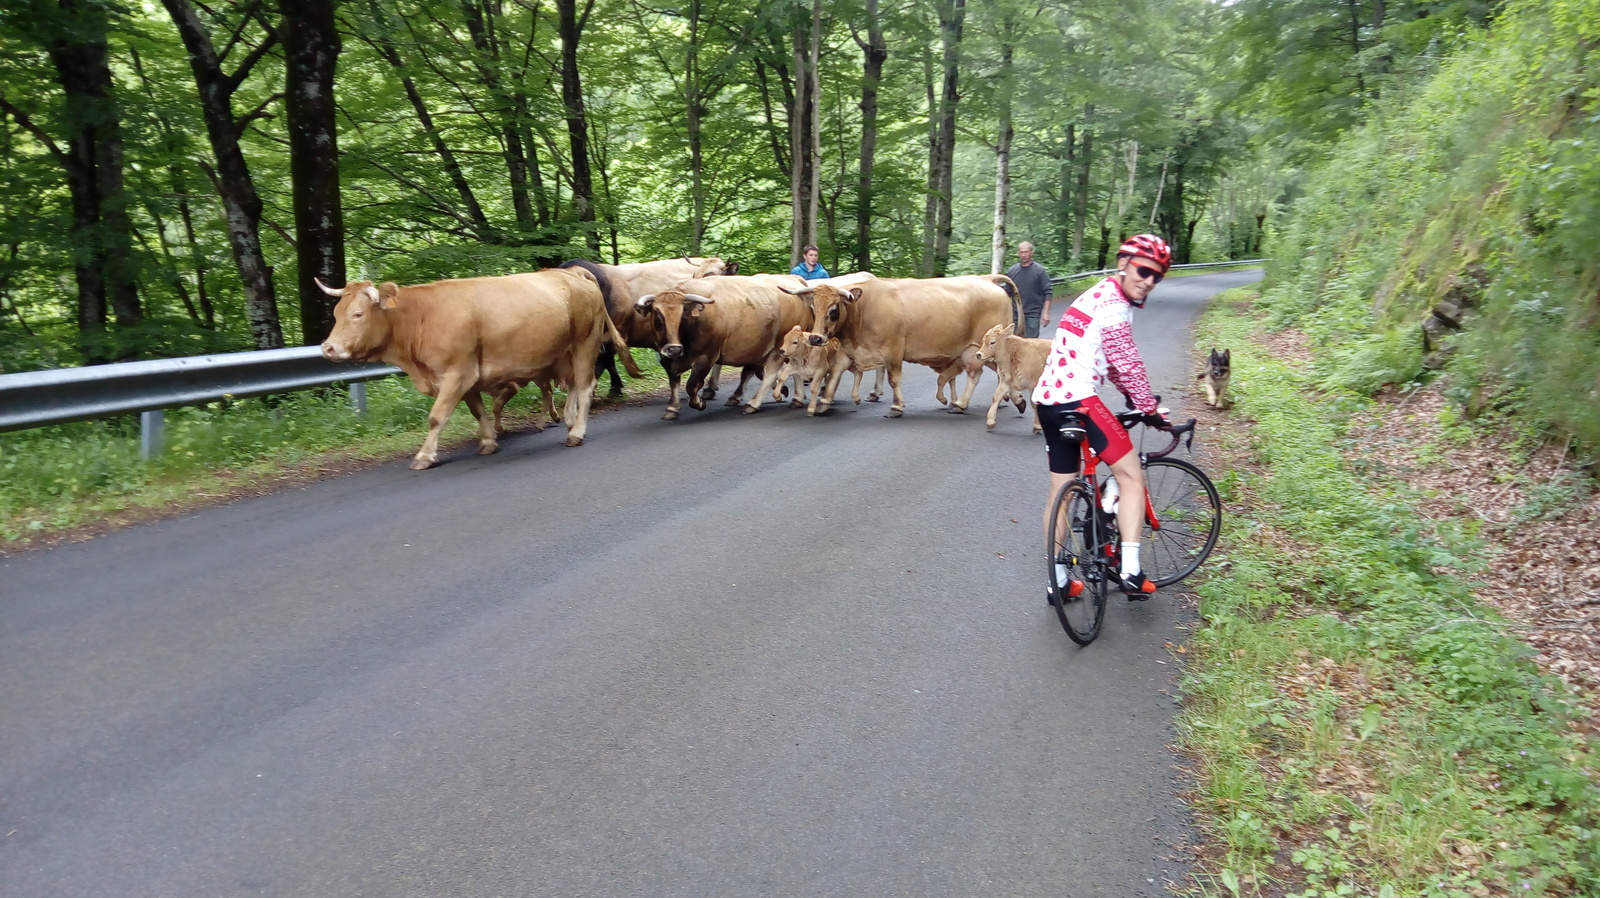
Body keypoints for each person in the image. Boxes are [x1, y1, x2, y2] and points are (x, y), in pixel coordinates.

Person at [1033, 234, 1172, 599]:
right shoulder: (1114, 305)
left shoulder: (1094, 296)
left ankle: (1058, 582)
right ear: (1124, 264)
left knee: (1060, 492)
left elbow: (1111, 363)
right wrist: (1148, 408)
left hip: (1048, 402)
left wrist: (1134, 399)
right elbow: (1127, 364)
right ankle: (1131, 571)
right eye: (1144, 271)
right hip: (1080, 400)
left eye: (1157, 276)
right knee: (1131, 477)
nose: (1149, 281)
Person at [1005, 241, 1052, 338]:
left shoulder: (1039, 271)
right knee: (1014, 341)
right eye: (1021, 252)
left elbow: (1048, 292)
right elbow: (1006, 293)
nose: (1023, 255)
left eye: (1026, 252)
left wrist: (1046, 313)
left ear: (1031, 253)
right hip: (1016, 314)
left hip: (1033, 313)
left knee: (1030, 342)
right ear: (1018, 253)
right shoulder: (1012, 271)